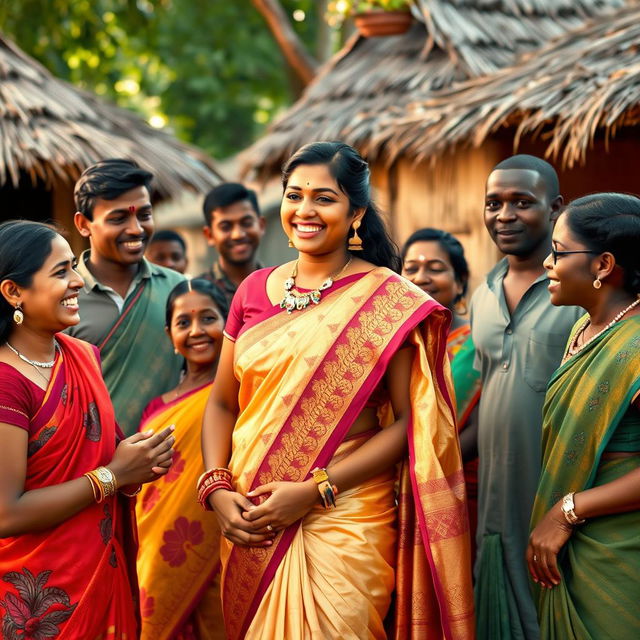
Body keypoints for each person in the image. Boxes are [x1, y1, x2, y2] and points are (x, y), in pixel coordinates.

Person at [201, 142, 474, 640]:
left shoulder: (388, 300)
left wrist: (314, 490)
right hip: (251, 514)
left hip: (344, 516)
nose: (304, 211)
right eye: (293, 195)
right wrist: (217, 488)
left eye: (323, 198)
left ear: (355, 213)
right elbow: (222, 402)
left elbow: (412, 425)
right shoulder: (252, 291)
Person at [0, 220, 174, 638]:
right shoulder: (6, 382)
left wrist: (138, 463)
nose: (78, 281)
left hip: (99, 572)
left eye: (73, 268)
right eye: (61, 272)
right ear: (13, 292)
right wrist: (115, 477)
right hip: (36, 599)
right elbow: (6, 512)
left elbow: (105, 458)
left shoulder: (82, 356)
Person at [471, 155, 582, 640]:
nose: (505, 215)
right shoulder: (483, 294)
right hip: (493, 505)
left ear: (556, 207)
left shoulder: (579, 292)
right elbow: (488, 396)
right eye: (494, 203)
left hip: (556, 498)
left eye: (522, 203)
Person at [527, 193, 640, 639]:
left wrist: (567, 512)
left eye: (559, 251)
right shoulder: (584, 328)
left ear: (602, 264)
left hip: (618, 554)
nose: (548, 264)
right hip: (574, 555)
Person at [136, 278, 228, 640]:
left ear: (228, 325)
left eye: (208, 318)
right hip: (161, 553)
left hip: (225, 546)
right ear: (170, 335)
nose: (196, 331)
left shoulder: (243, 391)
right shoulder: (156, 409)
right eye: (183, 323)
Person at [67, 158, 185, 435]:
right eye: (119, 218)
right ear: (84, 224)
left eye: (144, 215)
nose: (136, 229)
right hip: (89, 469)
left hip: (172, 461)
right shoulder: (63, 296)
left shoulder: (180, 290)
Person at [402, 228, 481, 565]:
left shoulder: (478, 343)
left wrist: (425, 471)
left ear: (460, 281)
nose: (422, 277)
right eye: (411, 268)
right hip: (394, 492)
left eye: (435, 268)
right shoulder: (391, 344)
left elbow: (481, 427)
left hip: (461, 490)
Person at [198, 182, 266, 307]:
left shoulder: (280, 285)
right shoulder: (197, 294)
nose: (238, 234)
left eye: (246, 223)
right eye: (226, 227)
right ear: (209, 235)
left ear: (261, 225)